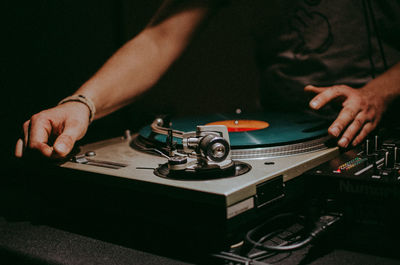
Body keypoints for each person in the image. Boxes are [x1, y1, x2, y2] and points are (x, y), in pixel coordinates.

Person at [15, 0, 400, 159]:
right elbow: (160, 38)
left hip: (385, 127)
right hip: (282, 136)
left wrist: (378, 93)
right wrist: (80, 103)